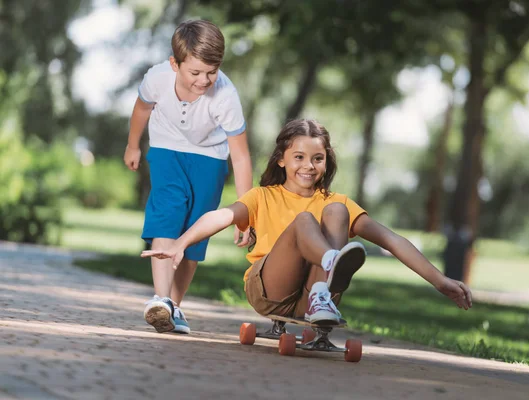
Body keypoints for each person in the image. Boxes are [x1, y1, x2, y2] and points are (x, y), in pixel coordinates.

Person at [141, 119, 472, 325]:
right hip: (270, 290)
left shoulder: (335, 202)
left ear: (326, 162)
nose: (309, 166)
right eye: (299, 157)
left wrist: (440, 281)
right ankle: (331, 261)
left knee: (338, 213)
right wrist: (181, 243)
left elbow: (393, 240)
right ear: (282, 159)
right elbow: (221, 216)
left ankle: (321, 293)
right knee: (303, 221)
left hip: (315, 299)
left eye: (318, 158)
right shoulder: (263, 196)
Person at [124, 20, 253, 334]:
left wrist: (245, 214)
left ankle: (173, 306)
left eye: (211, 72)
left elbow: (241, 155)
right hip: (167, 147)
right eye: (195, 72)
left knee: (196, 229)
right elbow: (142, 109)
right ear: (175, 64)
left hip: (210, 157)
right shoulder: (157, 78)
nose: (204, 80)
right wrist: (132, 146)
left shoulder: (225, 96)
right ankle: (160, 298)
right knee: (167, 214)